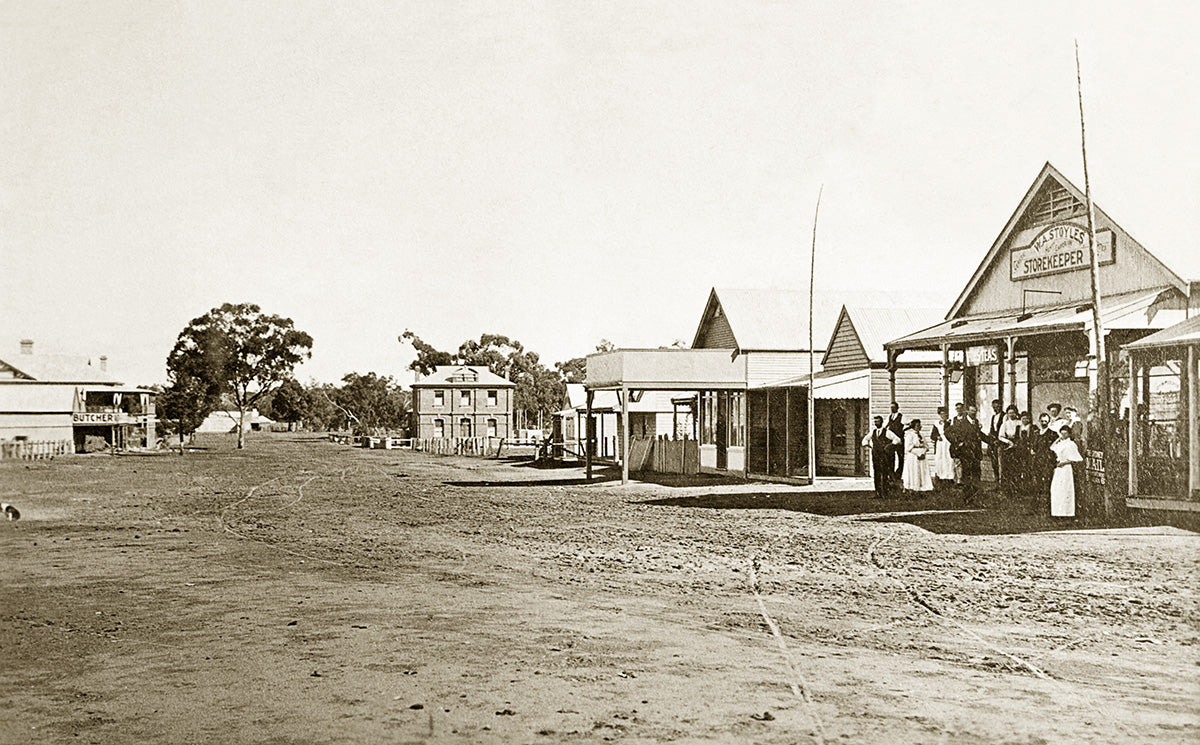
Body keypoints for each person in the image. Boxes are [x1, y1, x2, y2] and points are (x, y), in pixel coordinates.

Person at [862, 415, 901, 499]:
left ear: (882, 422)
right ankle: (877, 492)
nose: (876, 423)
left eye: (878, 421)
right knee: (876, 473)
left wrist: (889, 445)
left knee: (884, 473)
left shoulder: (887, 432)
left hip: (884, 455)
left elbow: (897, 439)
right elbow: (865, 439)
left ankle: (885, 493)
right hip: (875, 455)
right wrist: (868, 445)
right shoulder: (873, 432)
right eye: (875, 421)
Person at [952, 405, 984, 503]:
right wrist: (957, 443)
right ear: (967, 412)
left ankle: (975, 497)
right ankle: (967, 498)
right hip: (966, 454)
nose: (973, 413)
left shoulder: (976, 423)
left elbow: (980, 435)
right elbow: (948, 432)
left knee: (976, 475)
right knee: (966, 475)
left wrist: (991, 441)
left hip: (975, 454)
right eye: (971, 411)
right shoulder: (961, 423)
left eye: (975, 411)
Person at [1050, 424, 1084, 518]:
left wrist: (1064, 463)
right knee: (1056, 489)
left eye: (1065, 433)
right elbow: (1052, 447)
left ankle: (1067, 512)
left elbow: (1075, 459)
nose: (1063, 435)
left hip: (1066, 469)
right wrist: (1058, 439)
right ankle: (1057, 512)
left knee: (1065, 490)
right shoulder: (1060, 443)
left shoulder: (1071, 444)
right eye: (1062, 433)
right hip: (1058, 469)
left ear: (1069, 434)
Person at [902, 419, 933, 495]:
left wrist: (923, 452)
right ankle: (913, 487)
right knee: (914, 471)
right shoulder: (910, 435)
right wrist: (917, 452)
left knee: (922, 471)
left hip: (922, 456)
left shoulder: (921, 435)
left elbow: (927, 446)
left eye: (919, 425)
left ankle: (922, 487)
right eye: (917, 426)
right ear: (913, 427)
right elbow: (908, 448)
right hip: (913, 457)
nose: (919, 427)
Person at [997, 405, 1022, 498]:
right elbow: (1000, 436)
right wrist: (1009, 442)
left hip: (1017, 447)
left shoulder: (1019, 423)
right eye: (1009, 413)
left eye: (1013, 412)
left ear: (1016, 413)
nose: (1011, 414)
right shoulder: (1005, 424)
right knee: (1006, 469)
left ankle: (1016, 489)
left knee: (1017, 468)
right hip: (1007, 447)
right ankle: (1006, 490)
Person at [930, 406, 956, 488]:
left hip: (948, 442)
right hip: (940, 443)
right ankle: (940, 477)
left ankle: (949, 477)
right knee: (940, 459)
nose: (943, 416)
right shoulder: (936, 424)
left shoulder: (949, 423)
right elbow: (932, 435)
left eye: (944, 414)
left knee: (948, 459)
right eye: (941, 414)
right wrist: (937, 437)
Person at [986, 398, 1004, 483]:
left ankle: (1002, 480)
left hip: (1001, 441)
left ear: (1000, 406)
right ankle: (996, 479)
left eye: (997, 407)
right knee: (994, 461)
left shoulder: (1004, 415)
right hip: (993, 442)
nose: (995, 409)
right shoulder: (993, 417)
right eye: (993, 407)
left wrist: (998, 439)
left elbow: (1003, 429)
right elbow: (992, 429)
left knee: (1001, 462)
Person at [886, 402, 905, 479]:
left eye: (893, 407)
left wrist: (903, 431)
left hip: (900, 440)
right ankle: (892, 474)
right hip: (892, 440)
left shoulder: (901, 417)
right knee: (891, 457)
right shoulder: (890, 417)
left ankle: (899, 474)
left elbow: (908, 424)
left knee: (900, 457)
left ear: (897, 408)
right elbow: (884, 425)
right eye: (891, 407)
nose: (892, 409)